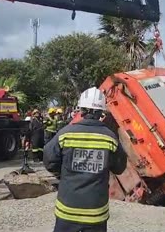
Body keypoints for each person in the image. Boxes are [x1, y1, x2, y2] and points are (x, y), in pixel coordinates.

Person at [43, 87, 128, 232]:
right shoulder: (110, 138)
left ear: (81, 110)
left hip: (67, 210)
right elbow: (120, 168)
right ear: (102, 112)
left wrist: (64, 174)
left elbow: (49, 161)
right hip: (96, 213)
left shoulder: (65, 134)